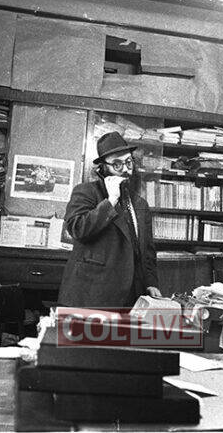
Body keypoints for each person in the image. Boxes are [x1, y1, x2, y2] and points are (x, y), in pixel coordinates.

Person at [58, 131, 161, 307]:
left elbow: (147, 251)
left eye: (128, 162)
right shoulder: (86, 192)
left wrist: (151, 283)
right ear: (103, 168)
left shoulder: (140, 203)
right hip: (93, 295)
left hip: (131, 296)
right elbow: (78, 229)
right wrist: (111, 200)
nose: (126, 170)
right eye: (117, 164)